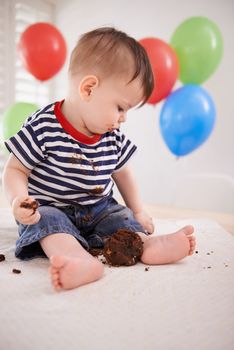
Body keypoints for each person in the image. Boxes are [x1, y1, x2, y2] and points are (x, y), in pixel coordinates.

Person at [2, 27, 196, 291]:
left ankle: (145, 244)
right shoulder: (43, 126)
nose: (123, 118)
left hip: (98, 208)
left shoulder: (111, 134)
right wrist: (18, 200)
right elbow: (15, 168)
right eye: (120, 107)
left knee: (120, 217)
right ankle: (78, 260)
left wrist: (138, 210)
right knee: (48, 223)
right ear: (89, 88)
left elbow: (123, 173)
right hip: (51, 207)